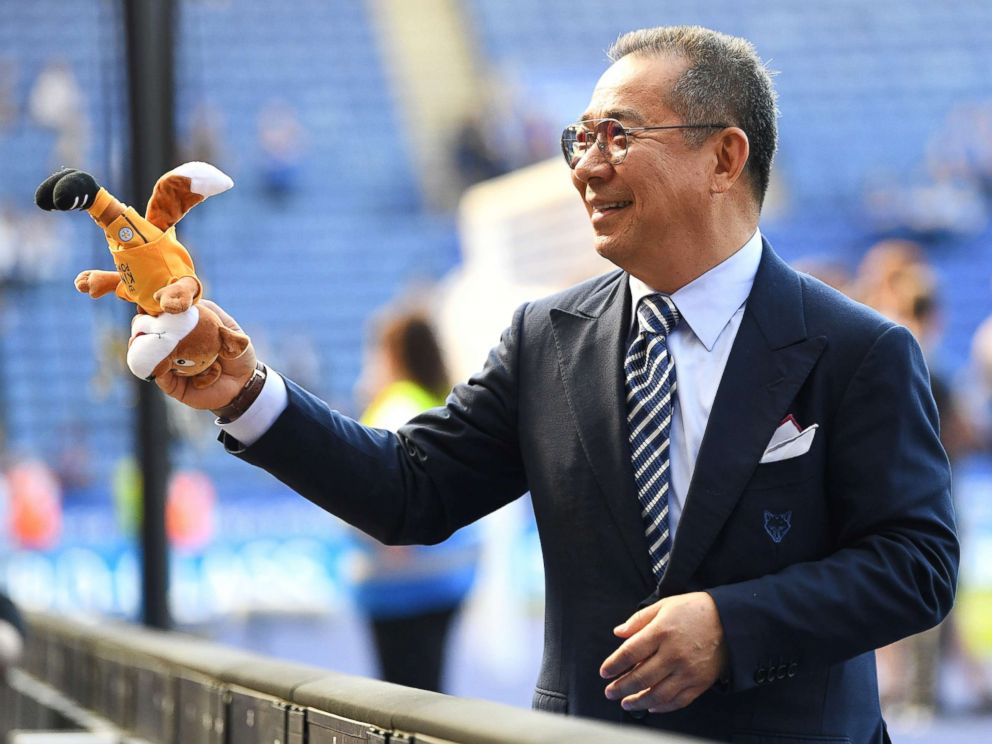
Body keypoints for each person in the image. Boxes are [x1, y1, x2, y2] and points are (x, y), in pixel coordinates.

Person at [155, 26, 958, 742]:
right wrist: (244, 392)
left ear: (725, 157)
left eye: (618, 135)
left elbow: (915, 564)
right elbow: (410, 490)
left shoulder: (860, 350)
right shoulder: (547, 338)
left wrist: (732, 626)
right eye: (581, 137)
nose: (585, 166)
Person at [349, 309, 479, 692]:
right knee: (431, 694)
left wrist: (390, 538)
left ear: (391, 355)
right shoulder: (439, 400)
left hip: (401, 589)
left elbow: (371, 486)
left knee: (406, 704)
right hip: (445, 581)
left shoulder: (395, 407)